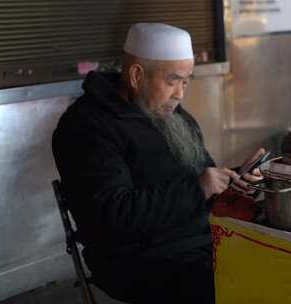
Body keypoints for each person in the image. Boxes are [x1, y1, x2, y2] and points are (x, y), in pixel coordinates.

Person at [52, 23, 263, 304]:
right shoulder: (87, 127)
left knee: (279, 266)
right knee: (231, 290)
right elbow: (113, 217)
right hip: (139, 260)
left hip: (201, 241)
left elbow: (203, 185)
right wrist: (198, 189)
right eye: (172, 80)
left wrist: (236, 179)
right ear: (137, 75)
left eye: (186, 81)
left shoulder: (174, 116)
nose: (180, 94)